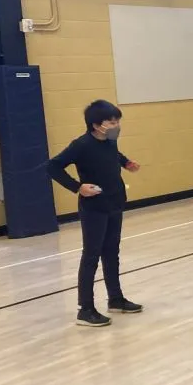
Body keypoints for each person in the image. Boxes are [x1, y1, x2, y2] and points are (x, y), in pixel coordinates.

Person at [48, 100, 143, 327]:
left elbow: (114, 155)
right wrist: (77, 187)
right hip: (94, 208)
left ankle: (115, 299)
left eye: (117, 121)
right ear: (96, 125)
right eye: (112, 122)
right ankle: (85, 309)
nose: (116, 126)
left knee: (112, 252)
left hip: (114, 203)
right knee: (91, 256)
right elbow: (53, 166)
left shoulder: (110, 141)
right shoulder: (81, 145)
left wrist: (126, 163)